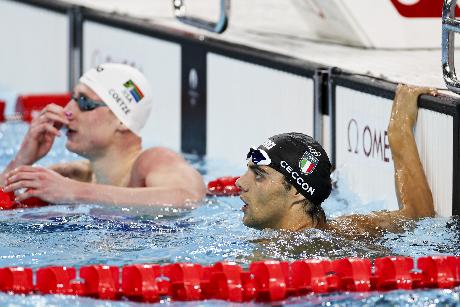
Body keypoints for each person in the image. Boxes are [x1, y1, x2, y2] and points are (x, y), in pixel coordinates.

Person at [236, 84, 436, 235]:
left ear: (297, 190)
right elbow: (417, 215)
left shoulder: (272, 252)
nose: (240, 182)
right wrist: (398, 131)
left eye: (259, 175)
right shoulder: (350, 229)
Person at [0, 63, 206, 206]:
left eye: (84, 102)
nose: (66, 110)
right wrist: (22, 159)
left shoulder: (152, 161)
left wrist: (74, 192)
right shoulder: (78, 175)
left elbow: (188, 196)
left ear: (121, 121)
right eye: (71, 98)